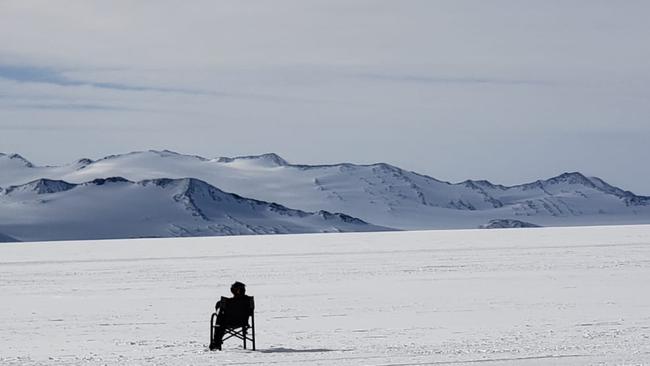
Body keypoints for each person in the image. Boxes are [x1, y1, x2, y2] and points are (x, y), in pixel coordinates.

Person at [209, 281, 252, 350]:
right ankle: (216, 342)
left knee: (219, 321)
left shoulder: (226, 302)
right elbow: (251, 312)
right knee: (221, 320)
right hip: (243, 322)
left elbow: (219, 311)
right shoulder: (249, 300)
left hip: (227, 323)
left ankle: (216, 342)